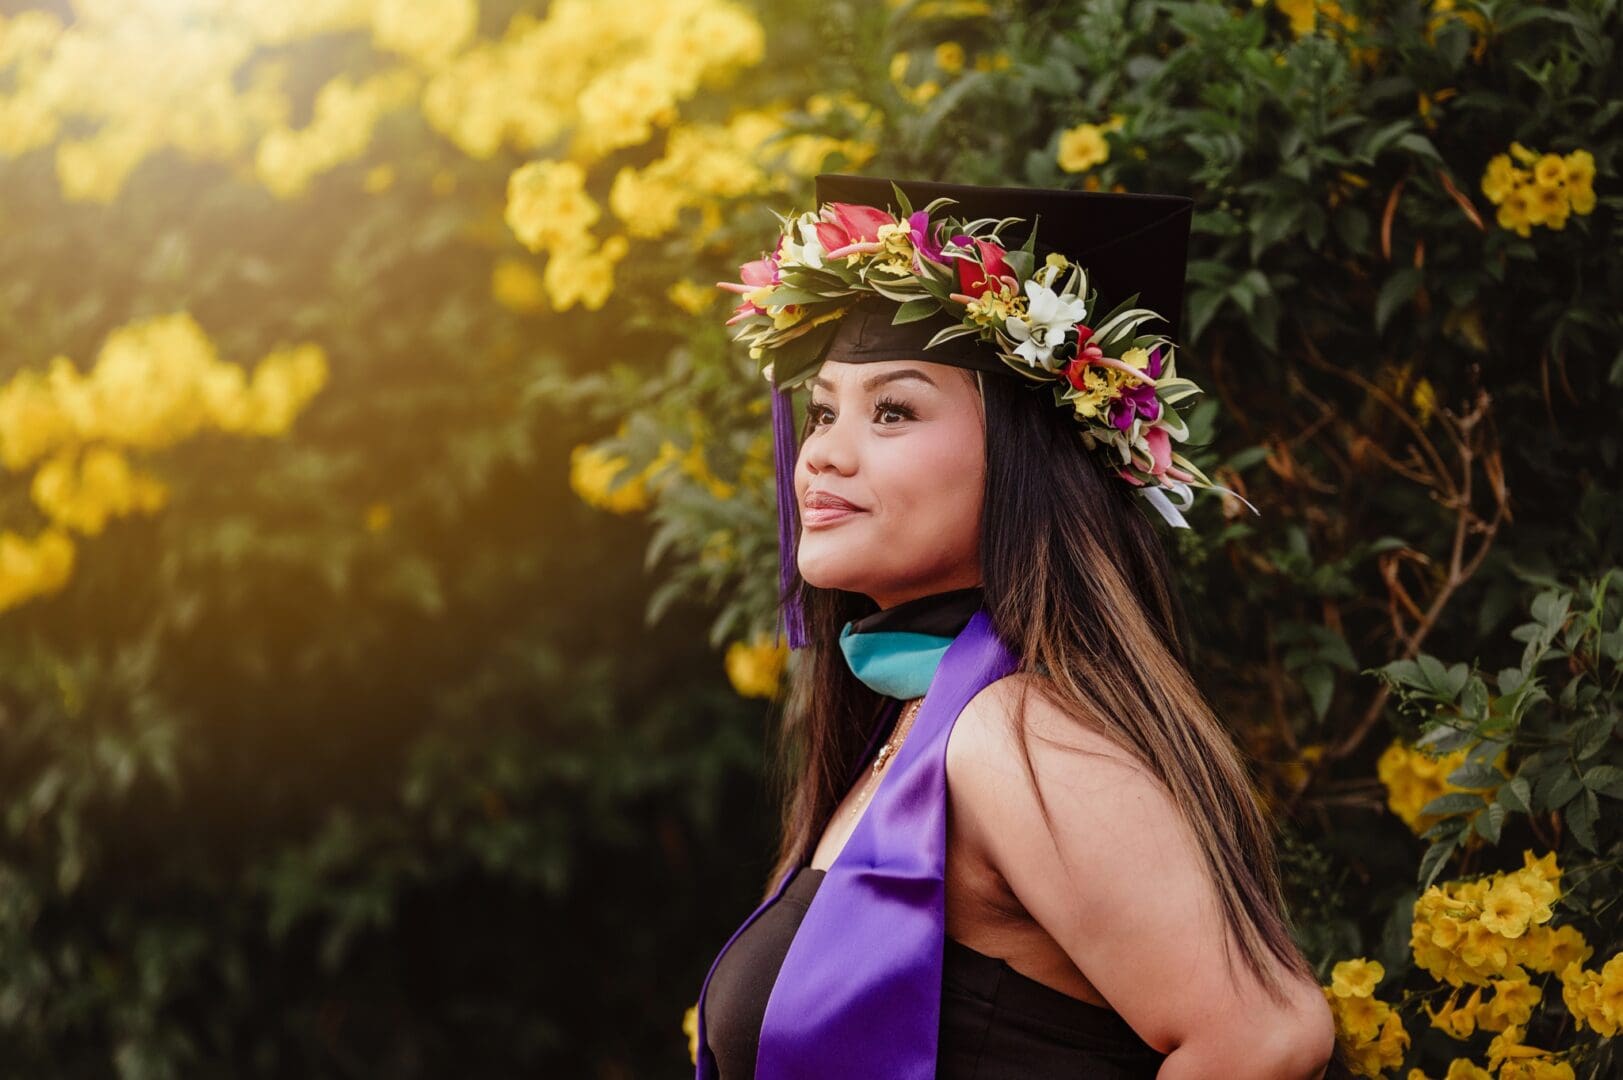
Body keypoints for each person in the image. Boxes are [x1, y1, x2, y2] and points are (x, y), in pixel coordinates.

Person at [694, 173, 1341, 1079]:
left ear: (1022, 463)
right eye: (824, 411)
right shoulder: (906, 723)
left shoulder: (1015, 732)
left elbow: (1264, 1036)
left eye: (893, 410)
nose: (824, 453)